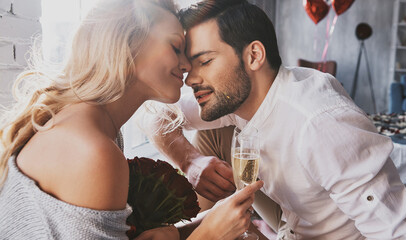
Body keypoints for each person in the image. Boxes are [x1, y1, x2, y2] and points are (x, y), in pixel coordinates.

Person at [143, 0, 406, 239]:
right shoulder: (237, 97)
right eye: (189, 66)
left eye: (205, 62)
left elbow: (403, 234)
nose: (191, 79)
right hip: (287, 226)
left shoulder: (321, 124)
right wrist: (190, 161)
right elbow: (154, 114)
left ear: (254, 55)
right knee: (204, 139)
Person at [0, 0, 264, 239]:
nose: (187, 65)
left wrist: (200, 225)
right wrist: (208, 236)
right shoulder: (93, 151)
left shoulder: (92, 124)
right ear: (127, 43)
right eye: (176, 47)